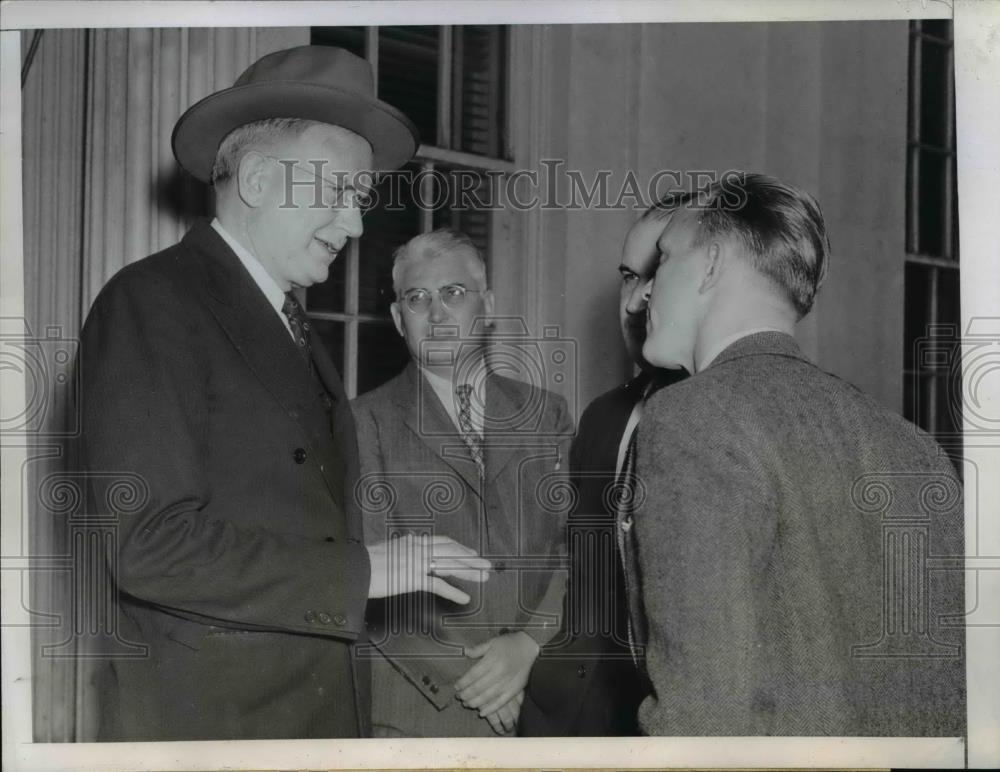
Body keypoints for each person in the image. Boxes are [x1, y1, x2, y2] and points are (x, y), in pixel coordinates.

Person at [80, 45, 490, 741]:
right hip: (214, 730)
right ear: (262, 179)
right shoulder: (151, 301)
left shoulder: (281, 319)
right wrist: (366, 570)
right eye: (338, 194)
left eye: (359, 201)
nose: (357, 226)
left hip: (302, 715)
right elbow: (149, 545)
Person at [632, 172, 965, 735]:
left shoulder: (692, 416)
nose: (644, 292)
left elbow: (707, 713)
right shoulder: (913, 443)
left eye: (661, 261)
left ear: (710, 265)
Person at [352, 229, 574, 737]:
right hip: (417, 713)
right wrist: (480, 683)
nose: (436, 314)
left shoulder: (547, 413)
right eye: (416, 298)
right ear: (396, 319)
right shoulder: (362, 423)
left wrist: (530, 645)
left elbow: (578, 546)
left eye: (453, 293)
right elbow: (365, 569)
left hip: (538, 696)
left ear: (489, 305)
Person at [519, 202, 686, 735]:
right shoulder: (602, 417)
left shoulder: (750, 423)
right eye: (627, 277)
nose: (636, 301)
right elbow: (584, 587)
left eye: (657, 275)